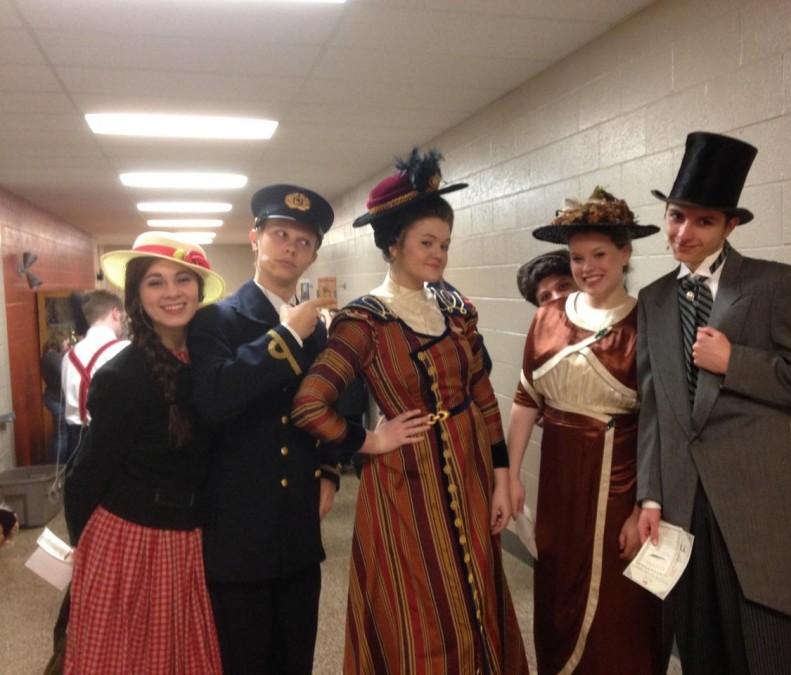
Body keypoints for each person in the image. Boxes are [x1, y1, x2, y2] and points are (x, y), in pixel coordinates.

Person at [292, 149, 528, 674]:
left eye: (444, 244)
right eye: (427, 243)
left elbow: (483, 395)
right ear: (393, 244)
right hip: (404, 487)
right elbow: (310, 403)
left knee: (476, 599)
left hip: (467, 474)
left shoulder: (454, 309)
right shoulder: (364, 321)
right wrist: (368, 441)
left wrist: (502, 474)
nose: (439, 254)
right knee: (420, 613)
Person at [636, 132, 791, 675]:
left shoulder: (776, 285)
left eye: (704, 222)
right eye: (677, 216)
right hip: (682, 510)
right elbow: (655, 408)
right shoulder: (653, 298)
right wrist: (651, 495)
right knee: (700, 650)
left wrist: (739, 363)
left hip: (755, 510)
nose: (684, 233)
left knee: (765, 651)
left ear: (731, 226)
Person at [505, 187, 665, 674]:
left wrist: (644, 503)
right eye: (577, 257)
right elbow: (525, 401)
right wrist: (509, 477)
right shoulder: (547, 317)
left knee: (621, 610)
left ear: (625, 253)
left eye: (599, 254)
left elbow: (662, 423)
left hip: (620, 483)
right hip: (559, 484)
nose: (587, 266)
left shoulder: (647, 322)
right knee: (556, 594)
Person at [188, 184, 341, 675]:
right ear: (255, 238)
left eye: (303, 242)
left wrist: (329, 467)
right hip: (238, 530)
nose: (290, 248)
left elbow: (334, 403)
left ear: (314, 253)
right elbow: (214, 399)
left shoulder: (318, 328)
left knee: (295, 657)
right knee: (242, 660)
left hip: (297, 529)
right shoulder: (215, 319)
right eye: (280, 234)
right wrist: (285, 335)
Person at [63, 232, 227, 674]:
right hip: (129, 541)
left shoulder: (210, 365)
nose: (172, 292)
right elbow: (86, 474)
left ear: (198, 290)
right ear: (135, 294)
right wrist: (90, 551)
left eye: (182, 280)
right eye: (155, 282)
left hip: (189, 540)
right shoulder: (124, 374)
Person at [59, 289, 128, 463]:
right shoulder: (124, 350)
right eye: (122, 318)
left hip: (76, 438)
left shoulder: (69, 356)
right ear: (115, 313)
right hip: (113, 437)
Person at [40, 331, 69, 462]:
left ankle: (57, 465)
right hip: (56, 399)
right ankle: (58, 465)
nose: (67, 346)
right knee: (61, 435)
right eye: (66, 343)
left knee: (60, 434)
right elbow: (64, 374)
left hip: (52, 398)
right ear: (59, 342)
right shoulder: (53, 357)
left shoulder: (47, 356)